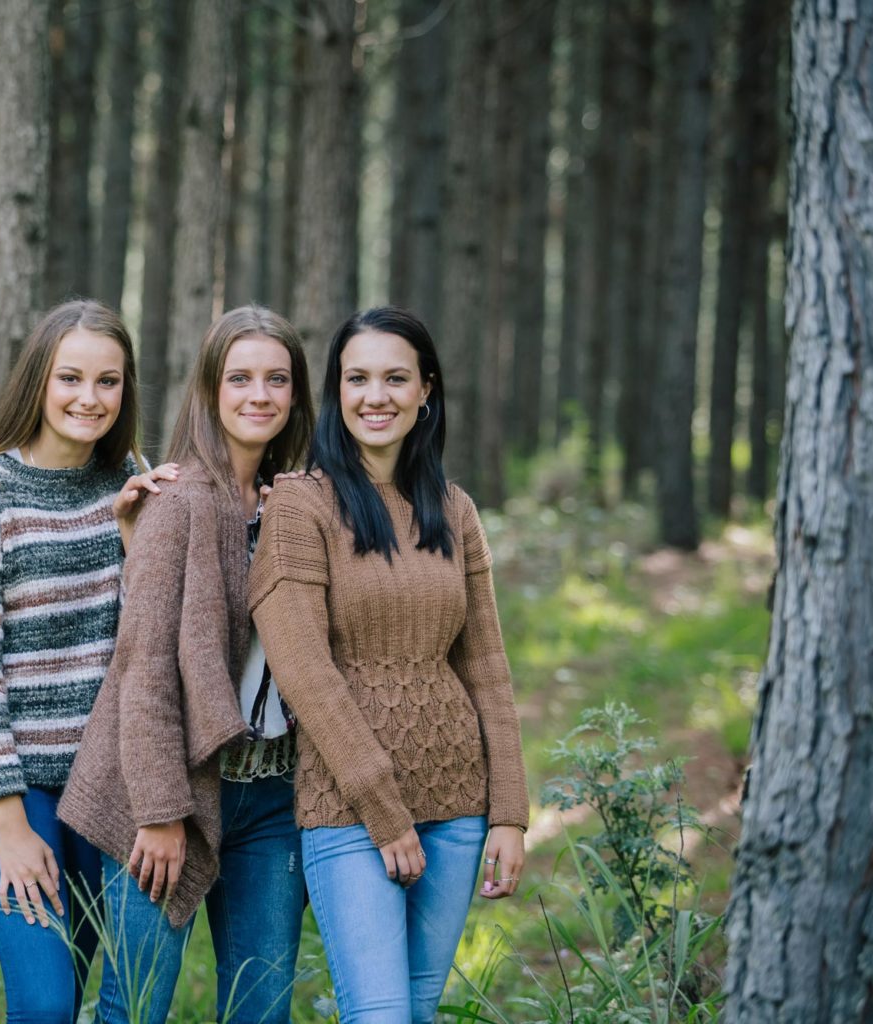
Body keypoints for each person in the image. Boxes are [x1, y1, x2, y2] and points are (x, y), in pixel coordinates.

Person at [248, 307, 530, 1024]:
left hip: (457, 804)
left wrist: (510, 815)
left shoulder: (454, 509)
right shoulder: (301, 506)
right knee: (380, 1015)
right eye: (358, 379)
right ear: (337, 393)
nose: (377, 396)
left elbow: (488, 666)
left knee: (418, 1011)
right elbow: (305, 671)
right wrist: (381, 808)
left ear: (425, 390)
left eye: (396, 378)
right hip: (347, 809)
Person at [59, 306, 315, 1023]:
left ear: (296, 395)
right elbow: (143, 672)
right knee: (138, 1006)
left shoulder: (296, 507)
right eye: (240, 378)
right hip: (167, 792)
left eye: (276, 379)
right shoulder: (179, 503)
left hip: (272, 795)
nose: (259, 394)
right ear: (210, 389)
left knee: (260, 1006)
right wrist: (162, 812)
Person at [0, 299, 174, 1023]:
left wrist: (136, 543)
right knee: (45, 1001)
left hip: (110, 784)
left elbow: (150, 649)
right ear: (39, 380)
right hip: (15, 787)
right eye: (71, 378)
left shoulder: (129, 483)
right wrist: (10, 823)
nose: (89, 398)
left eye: (108, 382)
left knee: (119, 995)